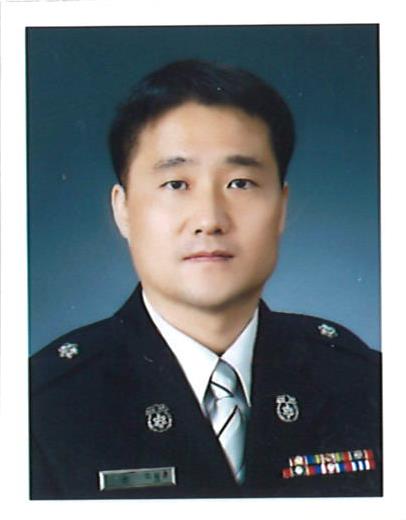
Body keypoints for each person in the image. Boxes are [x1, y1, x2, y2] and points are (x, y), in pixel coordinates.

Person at [29, 60, 381, 500]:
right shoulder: (41, 406)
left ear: (282, 207)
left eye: (240, 183)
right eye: (176, 184)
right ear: (123, 209)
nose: (210, 219)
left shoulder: (363, 382)